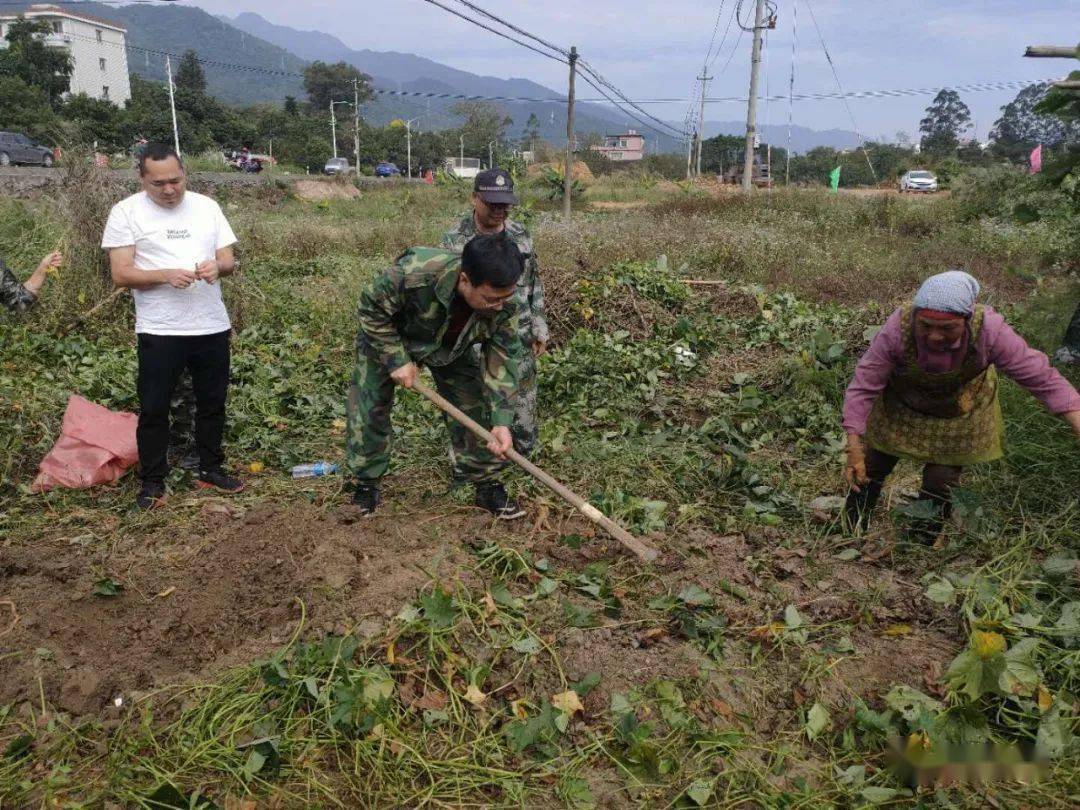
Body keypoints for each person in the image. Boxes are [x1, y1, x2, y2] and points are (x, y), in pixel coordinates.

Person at [842, 270, 1080, 544]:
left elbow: (1041, 378)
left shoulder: (989, 331)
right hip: (903, 404)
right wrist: (853, 444)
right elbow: (864, 382)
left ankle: (919, 544)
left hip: (959, 412)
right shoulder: (899, 327)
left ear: (966, 320)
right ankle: (850, 528)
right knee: (871, 466)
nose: (934, 336)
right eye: (926, 325)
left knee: (940, 481)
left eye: (947, 328)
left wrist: (1076, 420)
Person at [102, 142, 244, 510]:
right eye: (159, 183)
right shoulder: (125, 212)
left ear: (185, 174)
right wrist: (165, 275)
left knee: (212, 402)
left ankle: (210, 469)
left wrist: (218, 267)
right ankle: (153, 484)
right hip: (160, 328)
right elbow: (121, 273)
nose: (169, 190)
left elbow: (229, 259)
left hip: (211, 324)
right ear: (142, 179)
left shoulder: (207, 207)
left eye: (176, 181)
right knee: (154, 407)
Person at [346, 232, 527, 519]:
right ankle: (365, 483)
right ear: (465, 280)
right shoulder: (415, 272)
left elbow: (502, 361)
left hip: (449, 347)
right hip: (391, 336)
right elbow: (370, 308)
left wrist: (502, 422)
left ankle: (486, 483)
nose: (500, 305)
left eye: (505, 297)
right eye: (492, 299)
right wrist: (396, 359)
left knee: (474, 404)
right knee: (370, 405)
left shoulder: (506, 304)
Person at [442, 168, 548, 457]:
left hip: (519, 331)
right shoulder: (455, 240)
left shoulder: (520, 235)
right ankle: (476, 462)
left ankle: (523, 454)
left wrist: (539, 324)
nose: (500, 211)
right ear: (474, 199)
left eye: (505, 205)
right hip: (476, 334)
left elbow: (534, 281)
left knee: (523, 398)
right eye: (493, 205)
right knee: (478, 398)